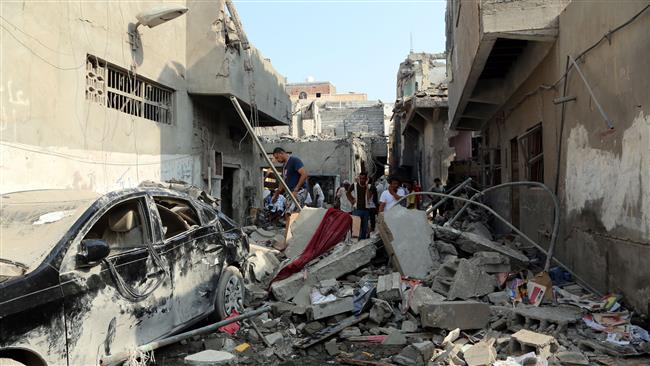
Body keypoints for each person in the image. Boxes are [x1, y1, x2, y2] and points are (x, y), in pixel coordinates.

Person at [271, 147, 309, 214]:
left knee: (293, 213)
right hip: (291, 192)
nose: (277, 160)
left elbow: (304, 174)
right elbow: (282, 182)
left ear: (281, 153)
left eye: (277, 158)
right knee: (288, 213)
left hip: (299, 191)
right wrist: (276, 195)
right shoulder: (284, 166)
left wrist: (296, 190)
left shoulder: (294, 161)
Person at [348, 172, 371, 240]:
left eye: (363, 178)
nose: (362, 180)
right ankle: (355, 242)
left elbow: (368, 197)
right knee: (356, 227)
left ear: (366, 179)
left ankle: (362, 241)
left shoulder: (369, 186)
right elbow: (348, 192)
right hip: (357, 209)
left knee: (364, 228)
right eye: (360, 178)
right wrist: (352, 200)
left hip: (366, 210)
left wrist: (366, 187)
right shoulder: (354, 185)